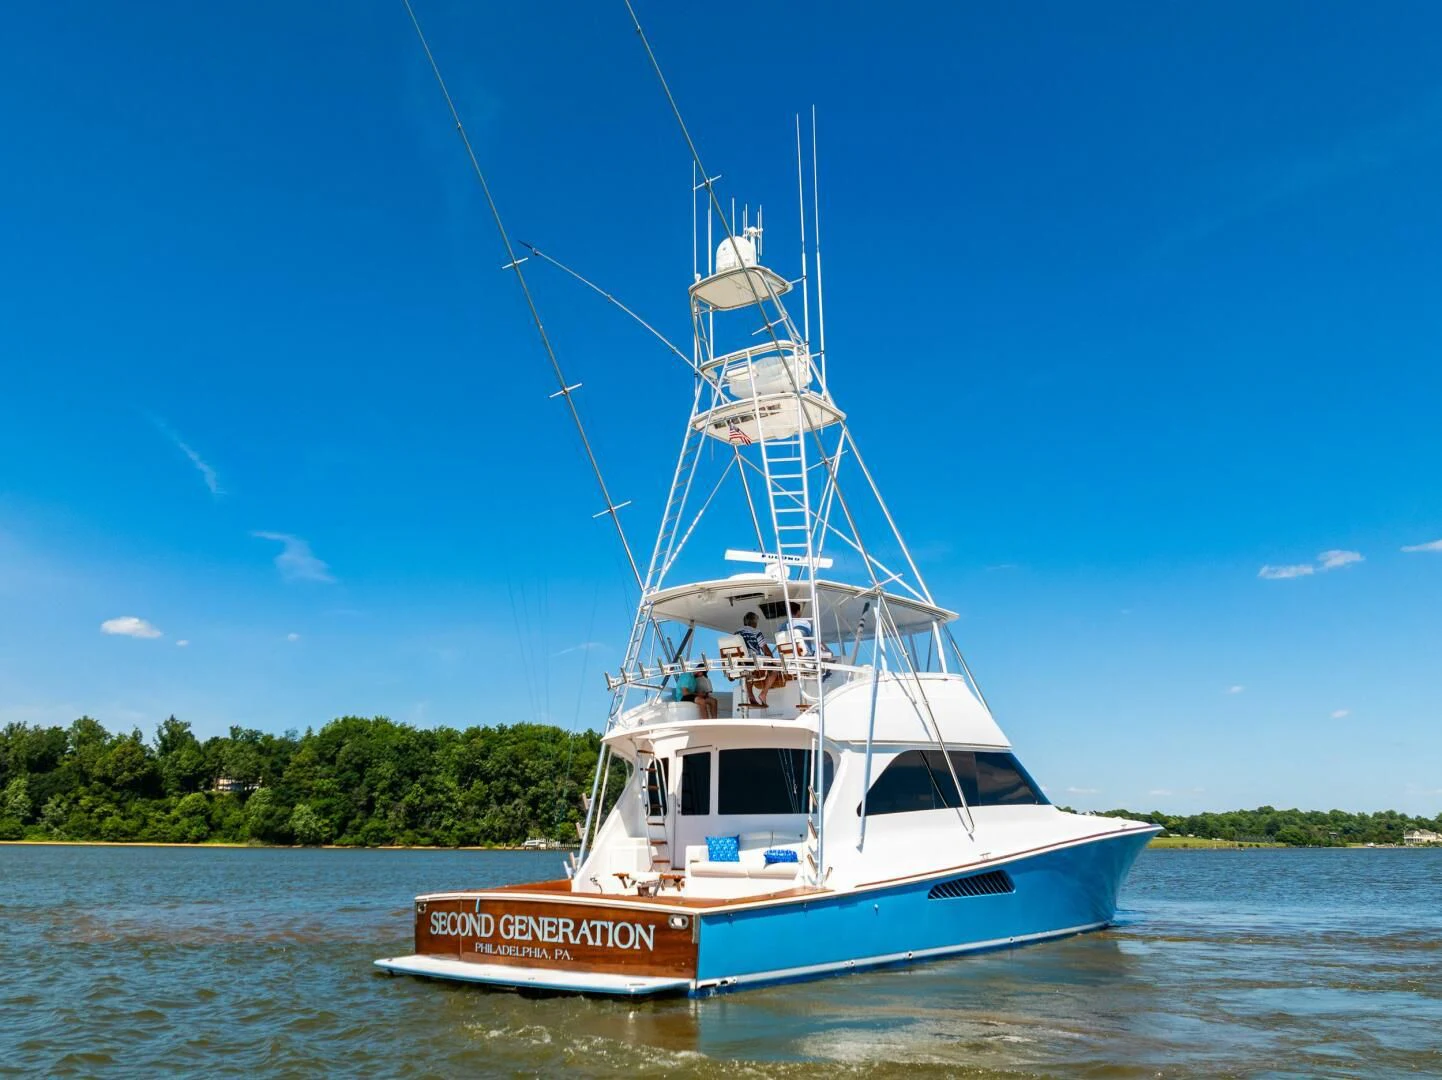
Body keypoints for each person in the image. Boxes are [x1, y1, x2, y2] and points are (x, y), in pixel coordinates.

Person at [736, 611, 786, 707]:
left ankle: (751, 696)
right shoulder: (756, 632)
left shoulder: (737, 633)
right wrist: (773, 661)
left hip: (741, 663)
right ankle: (763, 694)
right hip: (755, 662)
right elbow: (766, 651)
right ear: (754, 622)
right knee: (776, 669)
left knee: (748, 672)